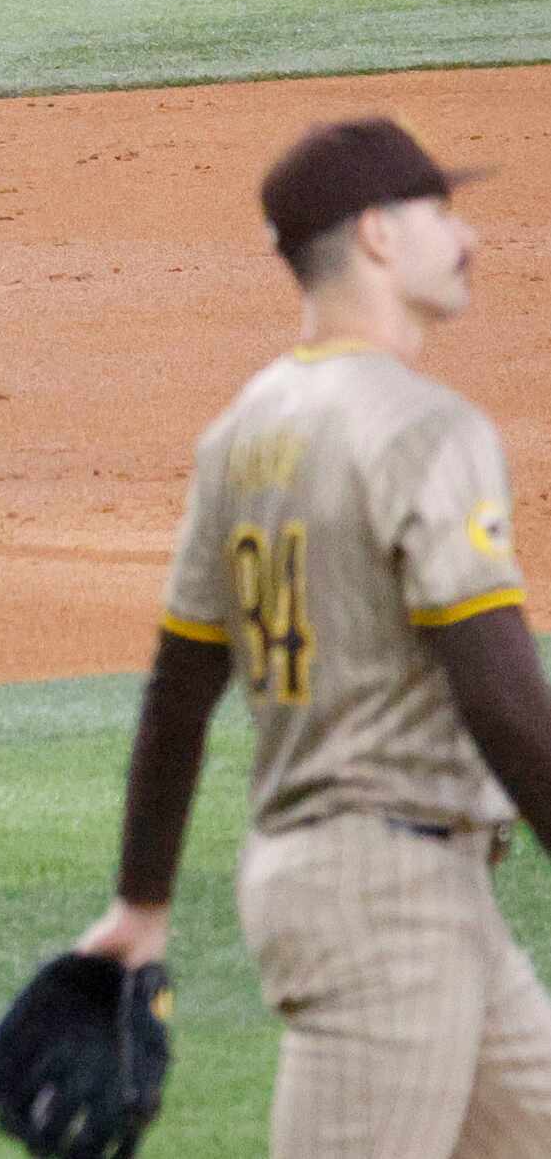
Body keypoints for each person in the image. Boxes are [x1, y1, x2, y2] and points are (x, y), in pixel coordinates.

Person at [71, 117, 551, 1155]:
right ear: (378, 235)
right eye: (442, 213)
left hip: (408, 890)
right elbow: (500, 690)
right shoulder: (427, 429)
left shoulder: (242, 429)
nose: (465, 239)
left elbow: (179, 687)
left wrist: (142, 900)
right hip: (386, 908)